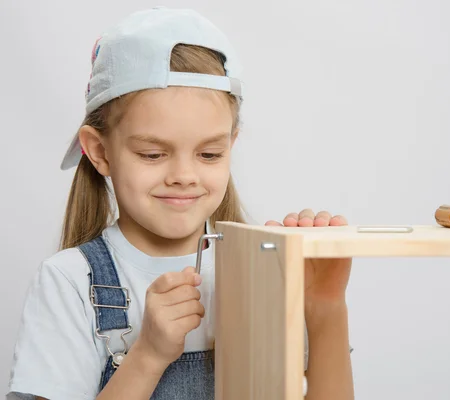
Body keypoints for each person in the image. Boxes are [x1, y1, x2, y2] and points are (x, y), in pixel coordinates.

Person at [6, 7, 354, 400]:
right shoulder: (69, 283)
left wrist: (325, 307)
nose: (184, 175)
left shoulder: (267, 268)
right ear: (100, 151)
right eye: (153, 154)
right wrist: (148, 355)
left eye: (208, 155)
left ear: (230, 146)